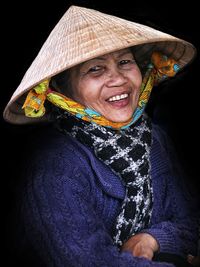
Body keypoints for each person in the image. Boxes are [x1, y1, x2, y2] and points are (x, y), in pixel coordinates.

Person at [3, 5, 199, 267]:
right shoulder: (55, 166)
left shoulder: (155, 139)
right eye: (95, 69)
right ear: (62, 91)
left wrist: (153, 238)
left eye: (124, 62)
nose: (117, 79)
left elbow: (192, 222)